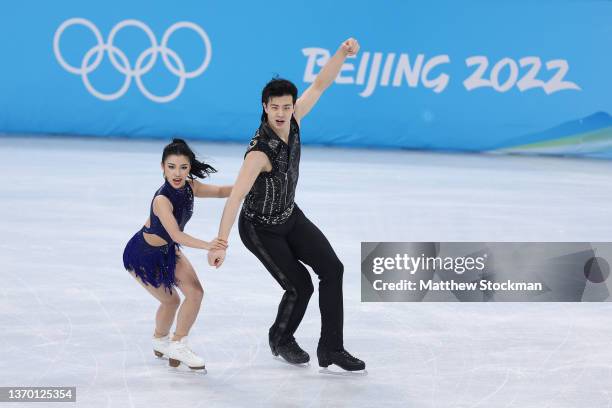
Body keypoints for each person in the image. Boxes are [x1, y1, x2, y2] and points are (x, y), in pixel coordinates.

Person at [208, 38, 366, 371]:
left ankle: (331, 349)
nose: (281, 113)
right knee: (300, 286)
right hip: (259, 228)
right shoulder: (259, 153)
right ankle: (280, 339)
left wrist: (341, 53)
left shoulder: (294, 121)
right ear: (265, 106)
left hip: (290, 216)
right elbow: (236, 195)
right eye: (275, 107)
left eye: (287, 107)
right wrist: (221, 242)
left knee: (332, 270)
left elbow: (321, 84)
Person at [123, 138, 231, 370]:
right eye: (171, 167)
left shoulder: (191, 186)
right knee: (170, 301)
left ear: (190, 167)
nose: (177, 173)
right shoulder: (162, 199)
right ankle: (161, 340)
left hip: (168, 251)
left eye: (183, 167)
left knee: (195, 293)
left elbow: (222, 191)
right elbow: (176, 235)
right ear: (162, 167)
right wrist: (209, 245)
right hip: (143, 255)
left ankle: (175, 343)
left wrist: (246, 185)